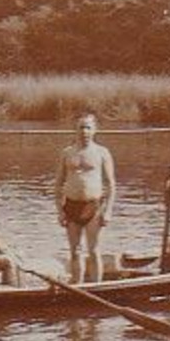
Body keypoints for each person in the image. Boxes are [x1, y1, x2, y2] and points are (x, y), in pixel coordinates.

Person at [54, 112, 115, 283]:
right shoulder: (67, 153)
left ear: (95, 130)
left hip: (93, 207)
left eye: (88, 127)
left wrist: (108, 210)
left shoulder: (102, 152)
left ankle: (97, 287)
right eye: (81, 127)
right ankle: (78, 287)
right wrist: (59, 210)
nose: (84, 131)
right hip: (71, 206)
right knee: (75, 251)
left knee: (94, 250)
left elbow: (111, 184)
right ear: (75, 129)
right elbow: (58, 183)